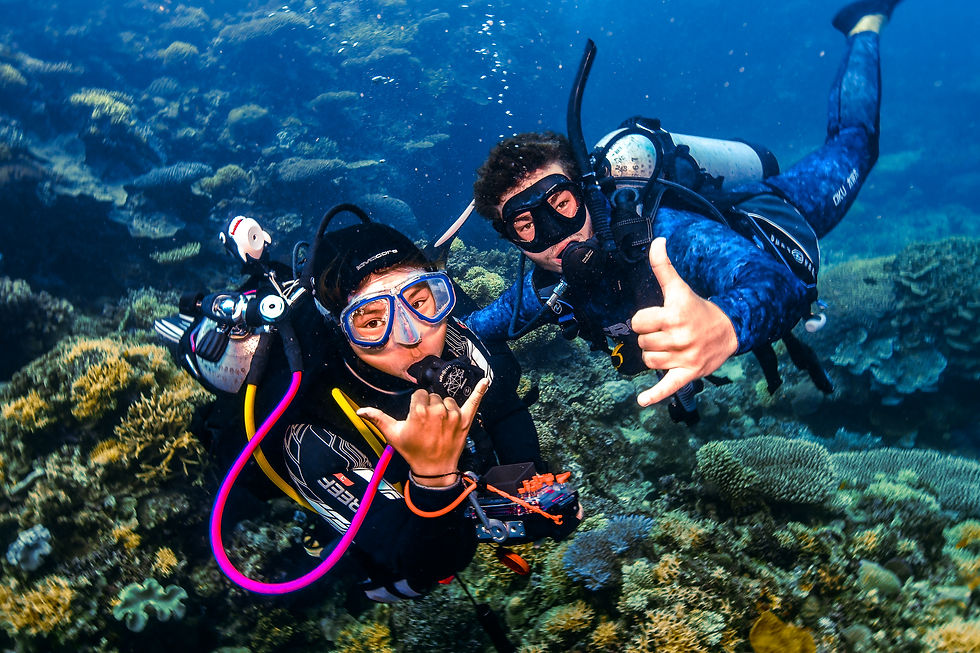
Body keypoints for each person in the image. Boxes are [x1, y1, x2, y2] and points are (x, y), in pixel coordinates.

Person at [464, 1, 902, 410]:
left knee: (855, 146)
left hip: (773, 215)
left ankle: (865, 26)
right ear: (511, 241)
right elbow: (471, 330)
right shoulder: (543, 292)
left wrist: (724, 324)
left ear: (588, 191)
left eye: (561, 203)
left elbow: (771, 280)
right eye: (526, 225)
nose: (557, 236)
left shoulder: (662, 234)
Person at [277, 212, 552, 601]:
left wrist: (530, 490)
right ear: (340, 331)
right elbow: (428, 560)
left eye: (420, 301)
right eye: (372, 323)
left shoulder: (456, 339)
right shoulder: (312, 432)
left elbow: (505, 406)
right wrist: (433, 477)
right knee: (388, 583)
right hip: (394, 533)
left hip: (446, 504)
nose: (413, 336)